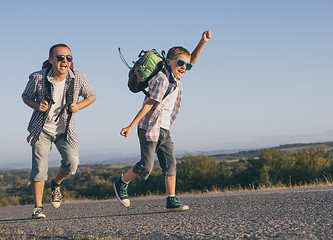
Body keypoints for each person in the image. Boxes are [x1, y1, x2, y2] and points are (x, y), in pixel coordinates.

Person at [113, 30, 212, 211]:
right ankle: (121, 182)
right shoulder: (162, 79)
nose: (184, 67)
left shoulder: (175, 76)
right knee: (145, 167)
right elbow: (150, 103)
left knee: (169, 163)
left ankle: (171, 199)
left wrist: (202, 41)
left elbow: (193, 60)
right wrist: (131, 125)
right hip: (149, 127)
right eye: (180, 63)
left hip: (164, 128)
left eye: (186, 66)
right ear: (168, 62)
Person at [22, 44, 97, 219]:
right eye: (60, 57)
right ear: (51, 60)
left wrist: (78, 106)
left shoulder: (78, 77)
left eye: (68, 58)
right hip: (42, 129)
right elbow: (26, 97)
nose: (65, 61)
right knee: (40, 169)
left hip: (65, 129)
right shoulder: (37, 78)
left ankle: (56, 184)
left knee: (72, 163)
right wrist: (37, 105)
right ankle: (38, 208)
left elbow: (92, 96)